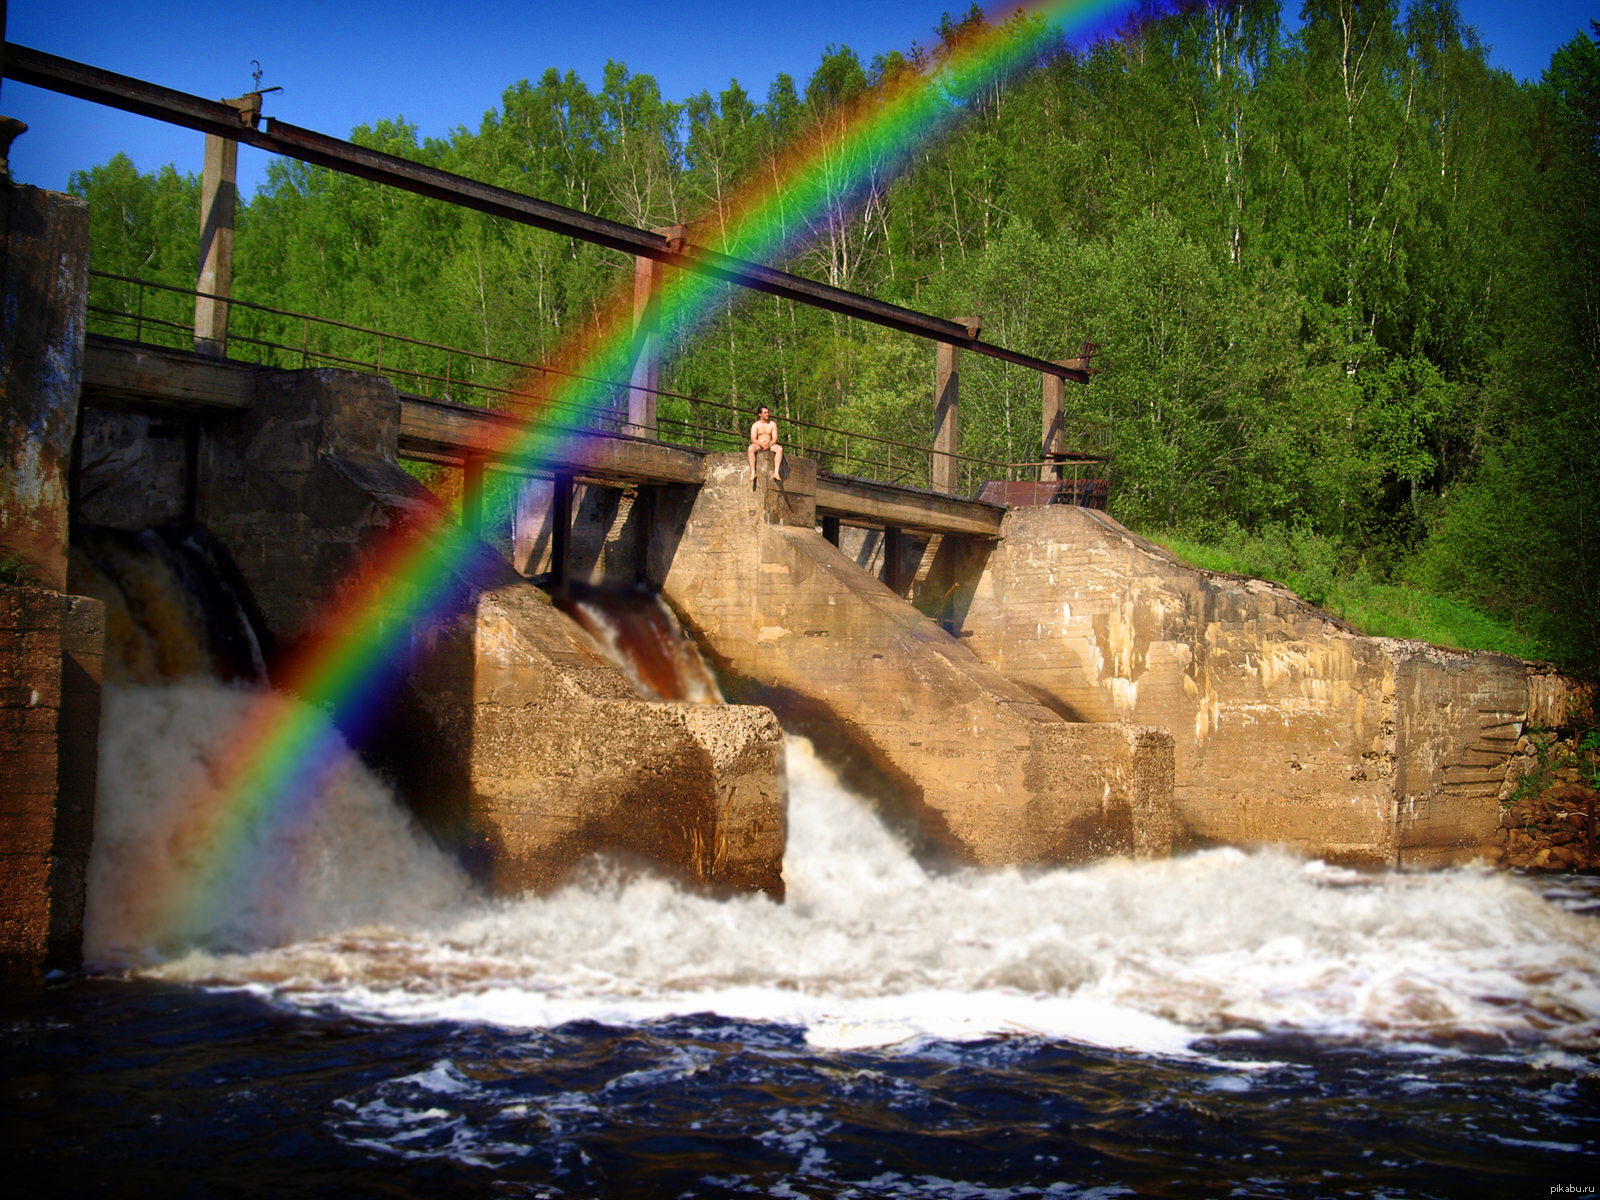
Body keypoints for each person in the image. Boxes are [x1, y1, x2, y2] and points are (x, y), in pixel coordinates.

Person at [747, 405, 784, 478]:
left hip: (770, 444)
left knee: (779, 449)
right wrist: (761, 444)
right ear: (760, 414)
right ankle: (753, 472)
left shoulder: (772, 424)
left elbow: (774, 438)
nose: (767, 414)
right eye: (765, 413)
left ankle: (776, 472)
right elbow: (753, 438)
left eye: (768, 412)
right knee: (751, 448)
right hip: (759, 444)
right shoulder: (755, 425)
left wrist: (769, 444)